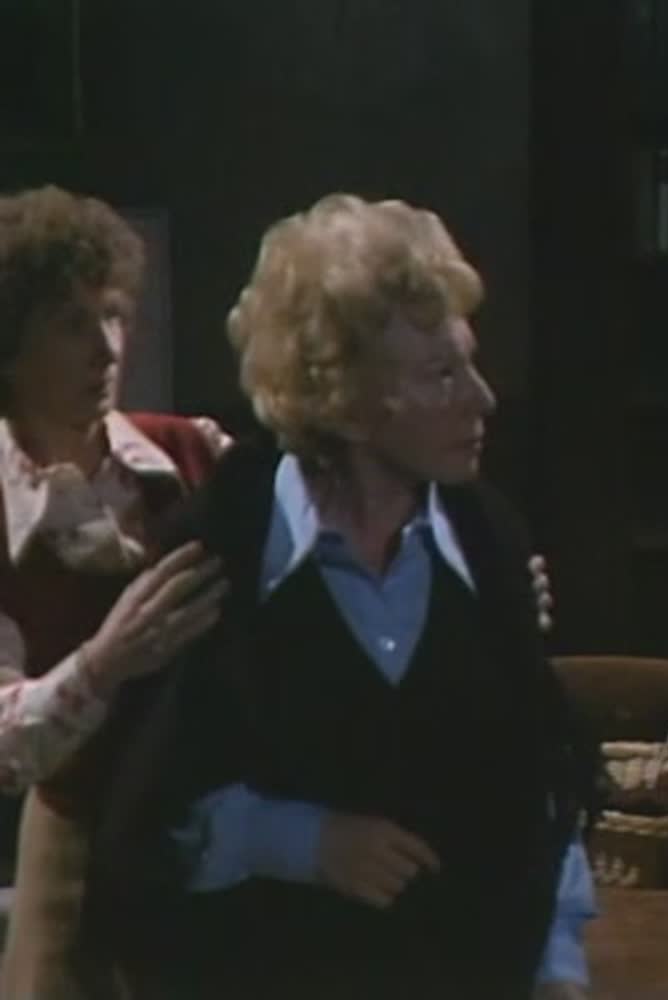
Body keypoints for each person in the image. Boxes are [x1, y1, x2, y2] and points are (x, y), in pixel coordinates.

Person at [81, 194, 599, 999]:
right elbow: (139, 822)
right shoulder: (218, 551)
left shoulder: (490, 541)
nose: (483, 398)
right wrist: (301, 841)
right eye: (441, 375)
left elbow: (541, 792)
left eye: (469, 363)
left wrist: (558, 968)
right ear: (348, 406)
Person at [0, 185, 229, 999]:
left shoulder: (194, 455)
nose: (105, 348)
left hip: (213, 830)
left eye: (115, 316)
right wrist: (104, 663)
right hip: (78, 848)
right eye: (72, 324)